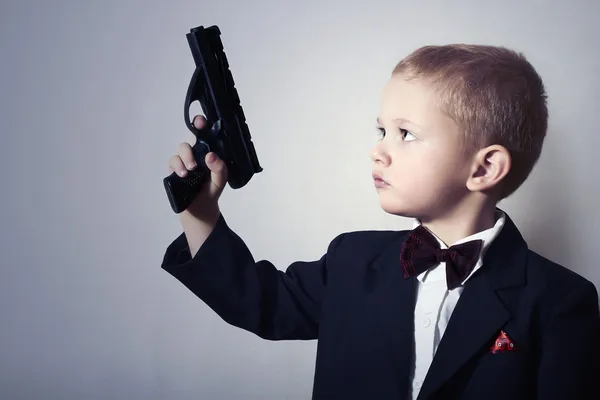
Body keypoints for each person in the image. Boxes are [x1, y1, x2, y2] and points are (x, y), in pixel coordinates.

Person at [161, 44, 600, 399]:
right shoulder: (351, 259)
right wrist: (200, 215)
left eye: (405, 133)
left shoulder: (560, 302)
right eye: (381, 131)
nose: (378, 151)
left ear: (484, 169)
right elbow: (262, 303)